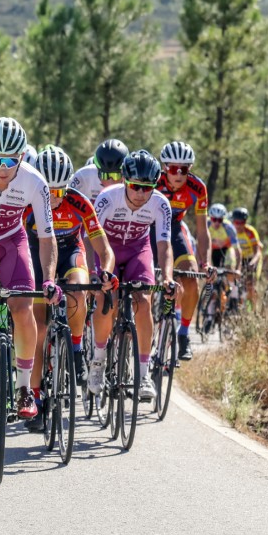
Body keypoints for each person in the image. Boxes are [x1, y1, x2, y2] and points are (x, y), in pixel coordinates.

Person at [0, 117, 59, 433]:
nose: (3, 168)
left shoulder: (34, 182)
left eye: (11, 160)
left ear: (22, 158)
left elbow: (46, 238)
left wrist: (49, 279)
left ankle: (24, 387)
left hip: (13, 241)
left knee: (23, 307)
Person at [23, 146, 117, 432]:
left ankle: (75, 348)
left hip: (70, 253)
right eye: (47, 190)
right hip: (36, 255)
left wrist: (107, 271)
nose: (53, 197)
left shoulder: (78, 202)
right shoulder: (26, 202)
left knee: (78, 290)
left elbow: (104, 249)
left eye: (59, 191)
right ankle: (35, 398)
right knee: (37, 331)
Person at [91, 150, 177, 402]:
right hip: (108, 249)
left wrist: (168, 277)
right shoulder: (107, 198)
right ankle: (98, 361)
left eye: (147, 188)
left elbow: (163, 245)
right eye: (136, 186)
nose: (141, 193)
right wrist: (93, 274)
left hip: (139, 249)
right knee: (108, 301)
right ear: (125, 182)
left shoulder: (160, 203)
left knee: (144, 301)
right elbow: (91, 237)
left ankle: (143, 372)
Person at [155, 141, 209, 360]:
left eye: (184, 169)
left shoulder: (198, 188)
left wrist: (206, 263)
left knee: (191, 275)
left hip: (174, 229)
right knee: (147, 279)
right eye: (173, 169)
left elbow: (203, 231)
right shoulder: (152, 182)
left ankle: (184, 333)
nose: (178, 174)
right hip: (148, 227)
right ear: (164, 167)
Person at [230, 207, 262, 309]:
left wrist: (253, 262)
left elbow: (257, 252)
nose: (239, 225)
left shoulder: (250, 232)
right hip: (237, 258)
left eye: (242, 222)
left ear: (245, 221)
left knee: (249, 285)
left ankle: (253, 309)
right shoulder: (230, 230)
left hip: (251, 258)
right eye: (236, 222)